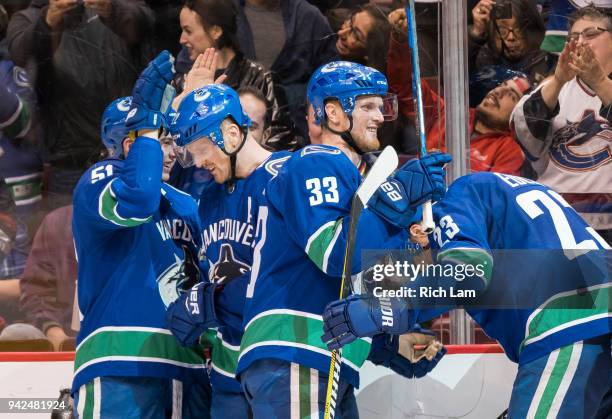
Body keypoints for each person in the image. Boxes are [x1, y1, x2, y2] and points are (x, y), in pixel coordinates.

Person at [233, 61, 450, 418]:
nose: (380, 116)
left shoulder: (363, 184)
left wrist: (389, 341)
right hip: (295, 348)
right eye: (367, 106)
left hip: (329, 356)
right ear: (333, 113)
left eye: (382, 106)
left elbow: (363, 282)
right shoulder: (316, 161)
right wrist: (394, 198)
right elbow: (335, 254)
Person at [321, 171, 611, 419]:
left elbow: (468, 272)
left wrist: (391, 307)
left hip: (569, 320)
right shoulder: (511, 190)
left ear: (418, 232)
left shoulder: (453, 200)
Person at [71, 53, 211, 418]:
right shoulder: (100, 179)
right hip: (121, 359)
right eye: (162, 142)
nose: (172, 153)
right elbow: (138, 200)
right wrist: (148, 122)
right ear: (132, 145)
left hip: (189, 366)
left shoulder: (184, 202)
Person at [167, 83, 291, 418]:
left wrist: (208, 299)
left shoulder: (286, 178)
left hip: (278, 365)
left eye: (202, 148)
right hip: (226, 375)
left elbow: (289, 278)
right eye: (191, 153)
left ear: (232, 133)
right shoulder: (208, 199)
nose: (199, 163)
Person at [6, 0, 155, 209]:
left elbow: (147, 22)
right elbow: (20, 52)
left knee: (133, 232)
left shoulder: (115, 5)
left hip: (126, 152)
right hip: (69, 164)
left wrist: (112, 10)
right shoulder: (29, 18)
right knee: (67, 237)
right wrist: (48, 22)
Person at [511, 4, 612, 243]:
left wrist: (599, 81)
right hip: (558, 222)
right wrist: (557, 81)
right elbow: (525, 136)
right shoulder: (554, 88)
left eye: (590, 34)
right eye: (573, 38)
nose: (580, 42)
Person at [388, 10, 530, 175]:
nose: (498, 91)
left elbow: (493, 195)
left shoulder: (508, 151)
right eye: (501, 85)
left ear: (519, 114)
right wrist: (401, 40)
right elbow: (404, 85)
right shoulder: (447, 114)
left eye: (511, 95)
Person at [175, 0, 300, 151]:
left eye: (188, 31)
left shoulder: (260, 78)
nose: (182, 39)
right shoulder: (183, 83)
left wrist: (237, 162)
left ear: (216, 31)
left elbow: (283, 140)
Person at [236, 0, 338, 139]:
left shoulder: (310, 18)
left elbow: (331, 81)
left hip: (296, 134)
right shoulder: (224, 11)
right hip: (232, 126)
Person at [20, 205, 77, 351]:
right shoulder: (58, 222)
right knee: (15, 334)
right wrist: (53, 330)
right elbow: (37, 288)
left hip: (132, 340)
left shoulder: (142, 224)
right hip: (68, 342)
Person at [468, 0, 552, 82]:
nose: (511, 37)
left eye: (519, 29)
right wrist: (476, 33)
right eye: (502, 30)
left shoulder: (547, 61)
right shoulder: (483, 58)